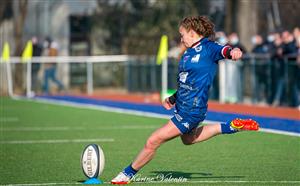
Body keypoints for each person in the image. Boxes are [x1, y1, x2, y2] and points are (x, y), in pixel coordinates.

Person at [111, 16, 259, 184]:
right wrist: (173, 98)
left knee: (153, 140)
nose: (181, 39)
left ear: (192, 32)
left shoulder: (208, 47)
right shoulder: (187, 53)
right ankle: (231, 126)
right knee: (189, 139)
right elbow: (186, 82)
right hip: (183, 106)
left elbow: (225, 50)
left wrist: (233, 52)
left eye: (182, 35)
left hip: (192, 110)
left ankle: (126, 175)